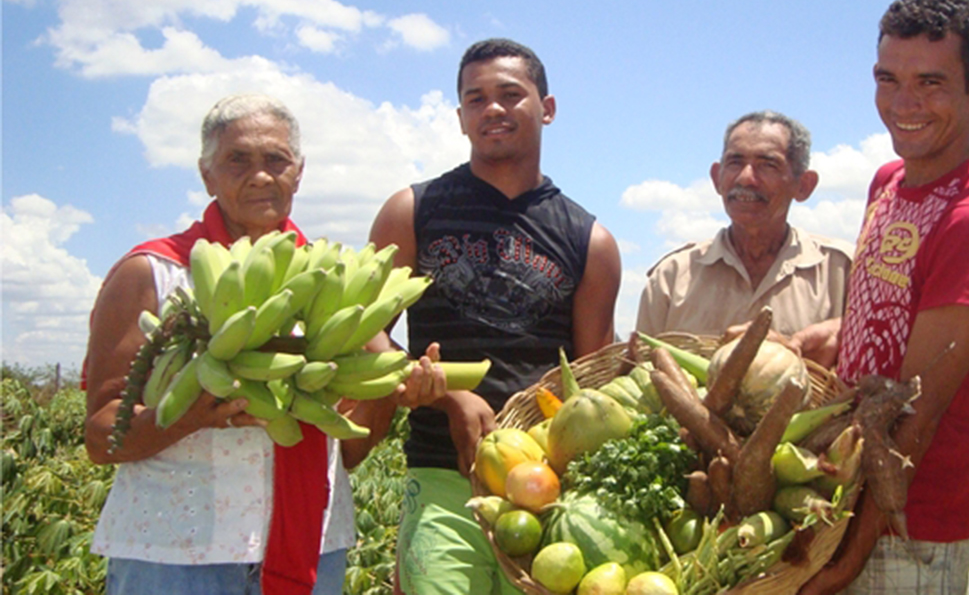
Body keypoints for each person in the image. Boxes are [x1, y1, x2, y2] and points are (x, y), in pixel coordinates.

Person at [83, 93, 444, 595]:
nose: (260, 175)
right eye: (237, 160)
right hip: (173, 555)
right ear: (207, 174)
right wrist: (194, 413)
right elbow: (102, 437)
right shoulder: (153, 273)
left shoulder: (333, 282)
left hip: (310, 549)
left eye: (276, 160)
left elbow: (350, 451)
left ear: (298, 172)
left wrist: (390, 391)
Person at [355, 38, 621, 594]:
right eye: (475, 99)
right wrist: (443, 393)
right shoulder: (413, 211)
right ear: (459, 118)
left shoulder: (589, 240)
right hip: (440, 475)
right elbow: (363, 334)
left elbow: (590, 383)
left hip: (544, 487)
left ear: (547, 108)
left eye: (510, 94)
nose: (492, 109)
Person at [793, 0, 969, 594]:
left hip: (912, 528)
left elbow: (915, 419)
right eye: (887, 79)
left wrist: (847, 563)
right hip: (849, 500)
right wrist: (808, 342)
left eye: (930, 83)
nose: (903, 104)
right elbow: (887, 319)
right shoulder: (889, 183)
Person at [636, 111, 852, 337]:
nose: (746, 178)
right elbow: (641, 366)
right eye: (735, 163)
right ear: (716, 178)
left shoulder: (840, 270)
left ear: (804, 186)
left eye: (767, 165)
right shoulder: (672, 277)